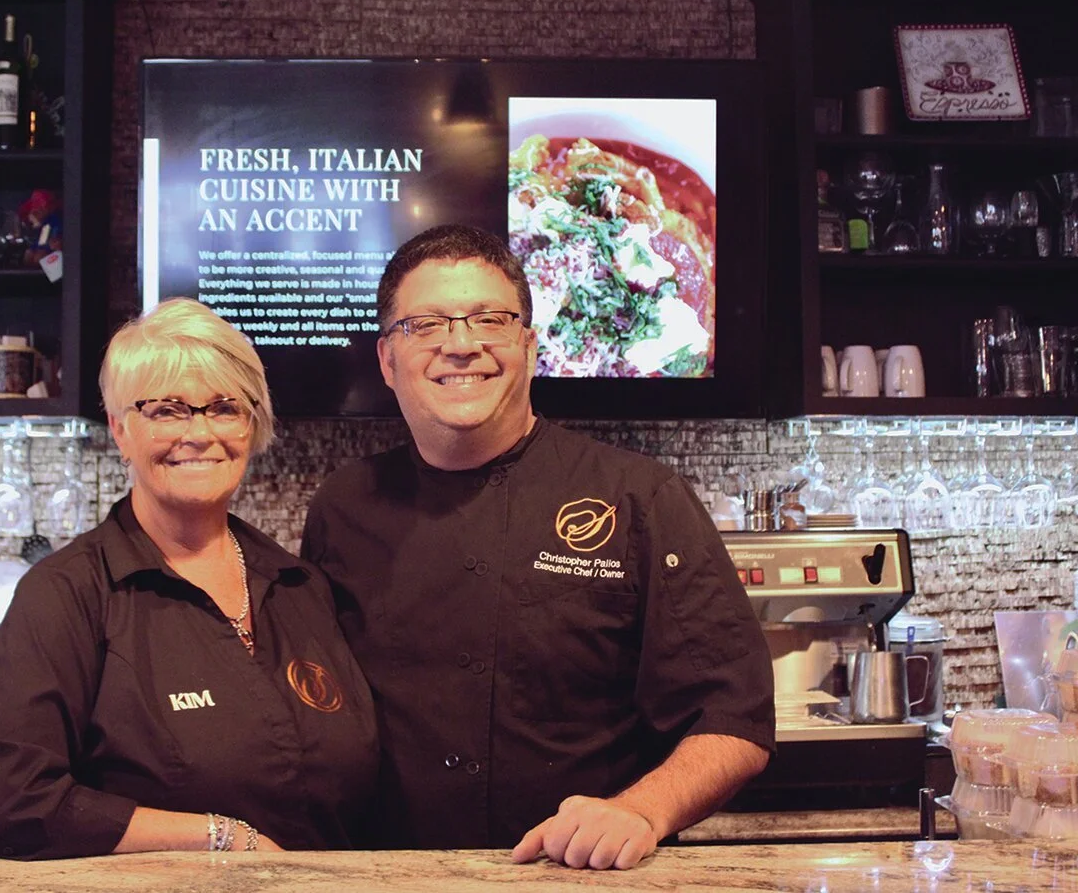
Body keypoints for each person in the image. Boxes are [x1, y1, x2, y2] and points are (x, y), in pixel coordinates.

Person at [301, 224, 773, 870]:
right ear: (387, 359)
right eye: (426, 325)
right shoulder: (342, 507)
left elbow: (734, 716)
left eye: (488, 319)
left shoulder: (640, 498)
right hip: (391, 877)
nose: (461, 345)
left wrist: (640, 808)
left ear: (528, 344)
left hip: (581, 877)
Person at [0, 298, 379, 860]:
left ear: (250, 424)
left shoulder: (300, 585)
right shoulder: (66, 594)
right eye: (167, 410)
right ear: (120, 429)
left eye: (224, 407)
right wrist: (222, 838)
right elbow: (5, 804)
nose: (200, 432)